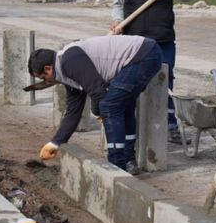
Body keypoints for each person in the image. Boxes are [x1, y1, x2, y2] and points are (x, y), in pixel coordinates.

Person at [28, 35, 162, 174]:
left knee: (109, 106)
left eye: (44, 78)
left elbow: (98, 92)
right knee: (121, 104)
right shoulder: (67, 73)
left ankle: (116, 166)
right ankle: (128, 161)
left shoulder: (69, 61)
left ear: (48, 69)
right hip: (144, 53)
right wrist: (55, 142)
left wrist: (98, 112)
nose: (47, 82)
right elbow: (73, 112)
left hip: (142, 55)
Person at [110, 0, 197, 145]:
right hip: (135, 43)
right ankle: (137, 124)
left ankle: (170, 126)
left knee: (165, 82)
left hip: (163, 40)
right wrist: (118, 22)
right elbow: (117, 5)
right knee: (134, 83)